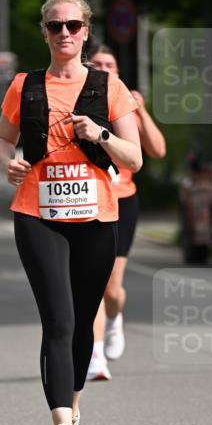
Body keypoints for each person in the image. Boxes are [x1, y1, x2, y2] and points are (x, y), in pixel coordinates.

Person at [0, 0, 141, 425]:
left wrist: (97, 134)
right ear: (44, 32)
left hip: (97, 217)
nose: (64, 34)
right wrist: (7, 164)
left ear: (85, 32)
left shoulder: (108, 86)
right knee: (58, 319)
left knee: (80, 322)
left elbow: (134, 158)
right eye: (55, 26)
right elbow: (1, 140)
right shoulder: (24, 85)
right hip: (38, 213)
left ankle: (72, 411)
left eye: (72, 26)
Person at [87, 45, 166, 380]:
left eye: (110, 64)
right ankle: (95, 358)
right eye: (98, 64)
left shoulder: (125, 106)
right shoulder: (83, 103)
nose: (105, 68)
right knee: (92, 283)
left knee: (111, 289)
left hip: (122, 202)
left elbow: (158, 150)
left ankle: (116, 317)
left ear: (118, 70)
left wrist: (142, 111)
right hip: (89, 200)